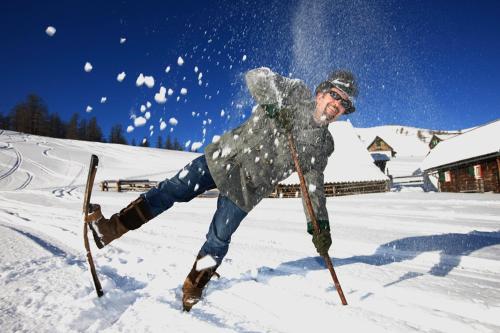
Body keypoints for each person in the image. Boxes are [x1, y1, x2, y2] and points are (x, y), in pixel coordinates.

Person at [88, 67, 358, 311]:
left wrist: (319, 226)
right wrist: (275, 104)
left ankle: (194, 285)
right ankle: (111, 229)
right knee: (172, 190)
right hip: (223, 157)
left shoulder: (323, 145)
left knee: (218, 238)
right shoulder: (294, 92)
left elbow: (313, 187)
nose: (337, 104)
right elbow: (256, 77)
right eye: (335, 95)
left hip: (248, 188)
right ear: (321, 91)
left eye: (344, 103)